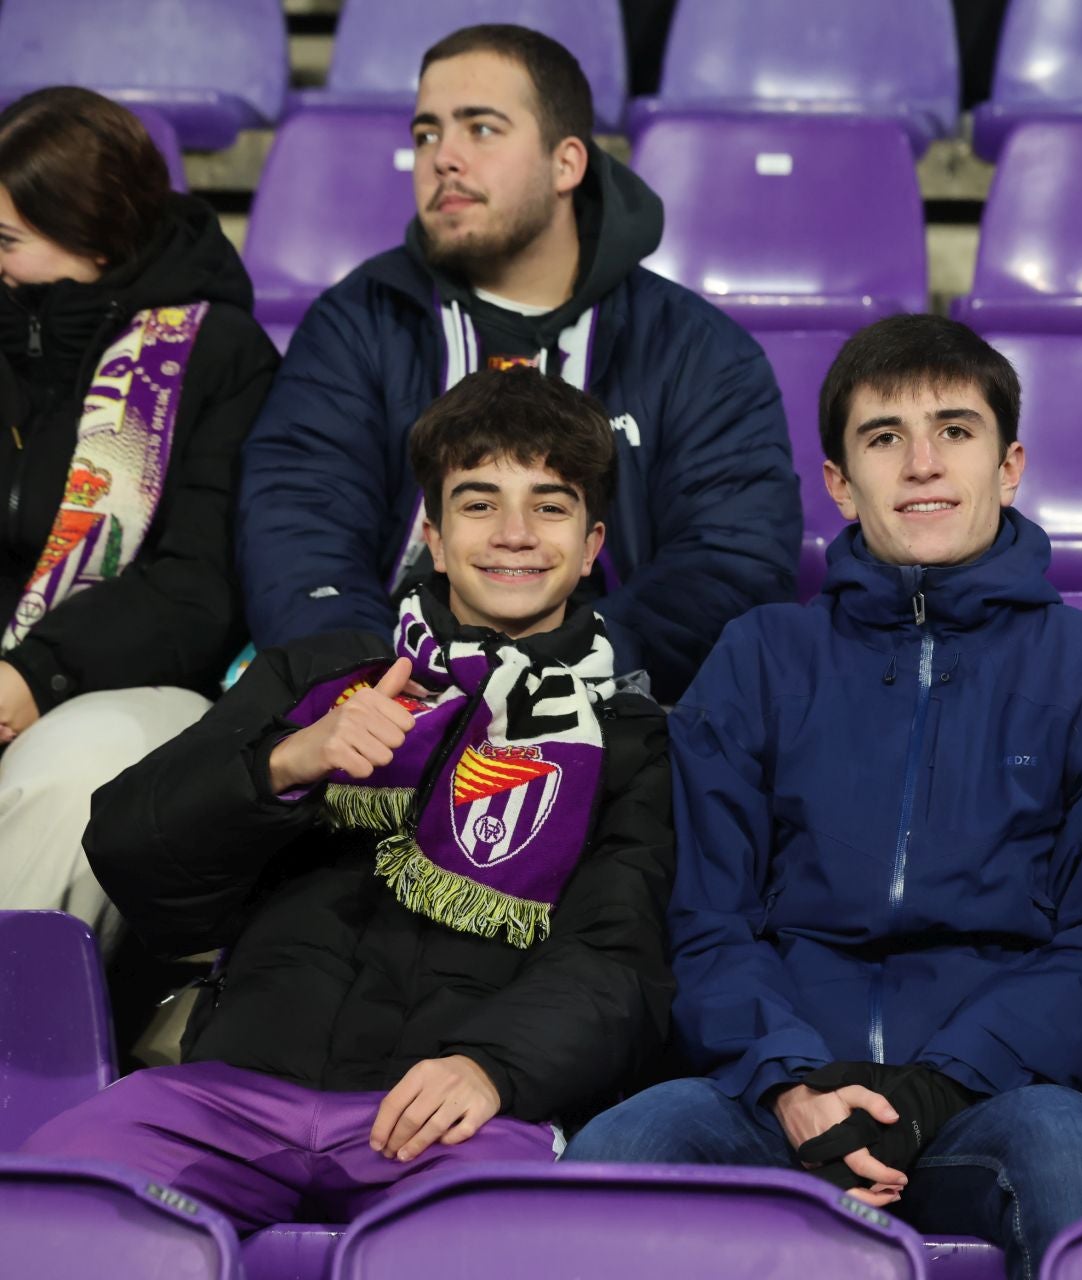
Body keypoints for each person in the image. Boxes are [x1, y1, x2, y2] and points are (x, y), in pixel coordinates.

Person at [562, 315, 1082, 1280]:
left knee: (1072, 1156)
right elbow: (703, 920)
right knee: (616, 1149)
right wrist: (791, 1084)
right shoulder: (759, 658)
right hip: (773, 1095)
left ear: (1010, 465)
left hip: (994, 1098)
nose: (921, 464)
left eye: (955, 431)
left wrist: (932, 1093)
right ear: (838, 482)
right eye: (883, 437)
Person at [25, 368, 676, 1232]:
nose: (514, 534)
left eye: (548, 506)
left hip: (456, 1116)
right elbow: (132, 855)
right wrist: (285, 765)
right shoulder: (318, 674)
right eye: (478, 503)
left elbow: (617, 961)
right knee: (44, 1217)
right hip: (228, 1094)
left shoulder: (629, 736)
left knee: (500, 1248)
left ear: (592, 545)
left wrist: (492, 1067)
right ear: (434, 538)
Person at [238, 23, 799, 705]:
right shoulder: (357, 323)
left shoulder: (695, 348)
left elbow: (731, 561)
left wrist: (566, 671)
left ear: (567, 164)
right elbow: (296, 529)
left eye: (481, 129)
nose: (443, 158)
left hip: (619, 705)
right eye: (427, 134)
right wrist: (371, 684)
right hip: (387, 701)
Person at [0, 88, 278, 929]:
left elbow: (199, 589)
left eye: (7, 241)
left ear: (93, 238)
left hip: (136, 686)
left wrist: (38, 672)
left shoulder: (216, 355)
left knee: (68, 775)